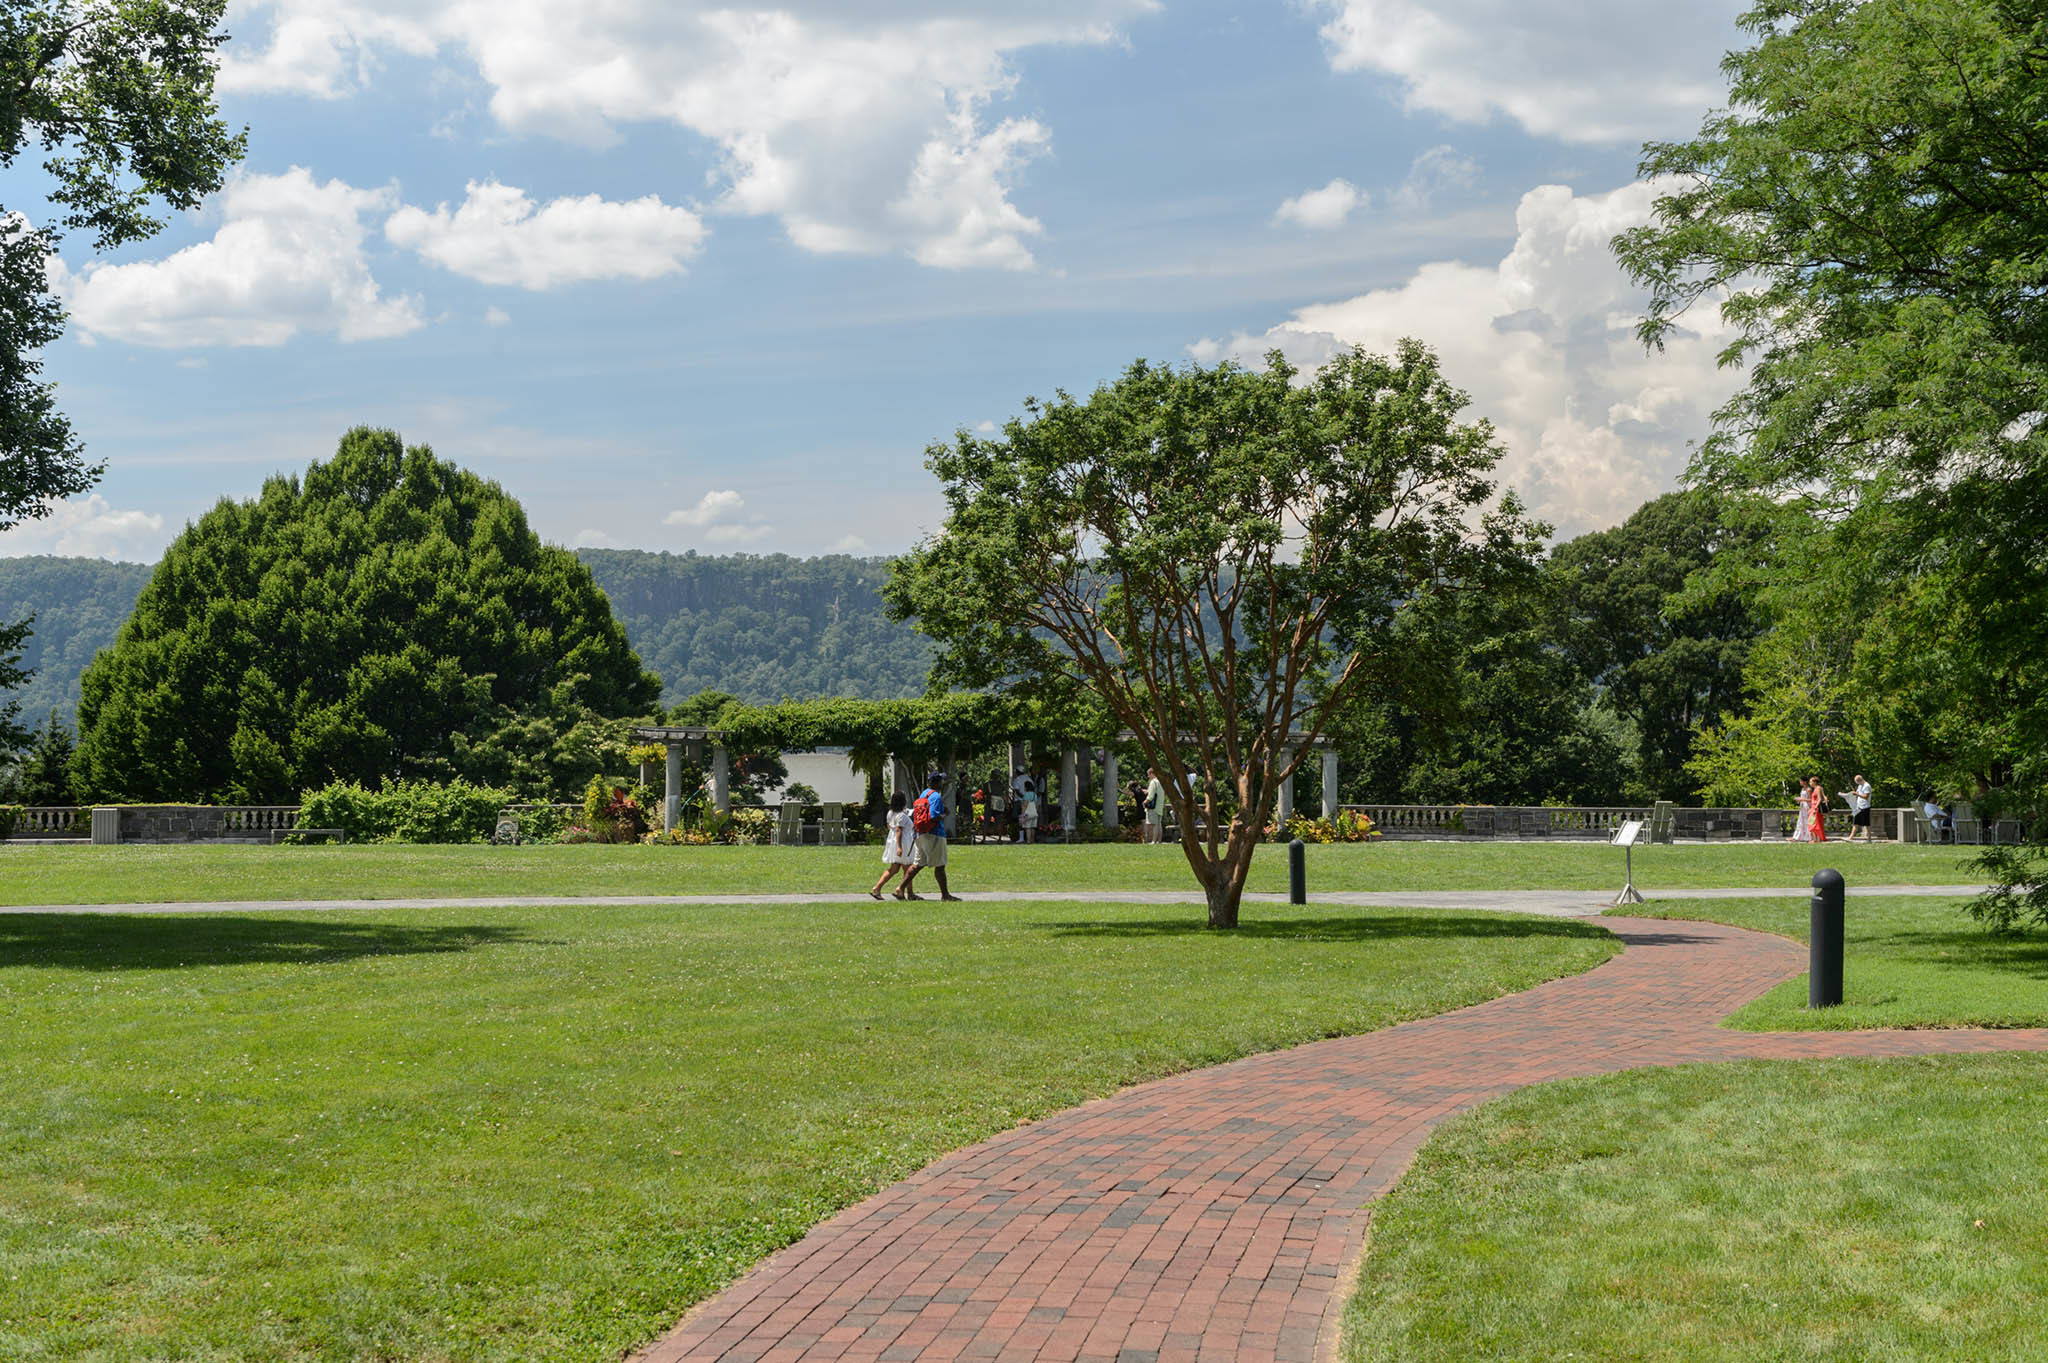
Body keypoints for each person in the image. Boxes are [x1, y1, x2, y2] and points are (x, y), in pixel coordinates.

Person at [900, 771, 962, 902]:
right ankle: (945, 895)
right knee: (940, 865)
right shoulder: (936, 796)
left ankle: (900, 888)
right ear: (936, 782)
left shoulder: (924, 794)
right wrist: (945, 814)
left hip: (920, 833)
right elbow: (934, 816)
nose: (942, 783)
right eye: (941, 781)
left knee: (917, 864)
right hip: (934, 834)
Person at [870, 792, 914, 899]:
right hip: (903, 843)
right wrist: (900, 847)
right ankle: (908, 893)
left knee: (894, 869)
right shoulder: (902, 816)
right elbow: (899, 830)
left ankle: (877, 887)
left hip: (893, 842)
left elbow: (890, 827)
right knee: (908, 869)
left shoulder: (890, 813)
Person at [1840, 774, 1873, 842]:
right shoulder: (1860, 785)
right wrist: (1849, 794)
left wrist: (1857, 794)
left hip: (1865, 807)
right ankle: (1850, 838)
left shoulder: (1867, 786)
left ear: (1859, 780)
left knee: (1866, 823)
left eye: (1857, 782)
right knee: (1855, 822)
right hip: (1858, 807)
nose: (1857, 783)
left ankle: (1869, 839)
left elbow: (1866, 797)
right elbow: (1857, 793)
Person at [1143, 766, 1166, 844]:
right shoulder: (1161, 781)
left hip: (1153, 806)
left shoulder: (1153, 782)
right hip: (1160, 805)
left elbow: (1151, 796)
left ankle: (1153, 841)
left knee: (1154, 824)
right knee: (1159, 824)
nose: (1148, 776)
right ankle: (1159, 840)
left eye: (1149, 775)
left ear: (1152, 773)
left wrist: (1145, 802)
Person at [1018, 778, 1039, 844]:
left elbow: (1025, 805)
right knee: (1033, 827)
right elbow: (1036, 805)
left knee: (1028, 827)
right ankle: (1033, 841)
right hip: (1034, 813)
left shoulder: (1026, 795)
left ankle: (1028, 841)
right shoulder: (1034, 795)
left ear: (1026, 787)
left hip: (1027, 813)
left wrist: (1022, 814)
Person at [1807, 776, 1828, 842]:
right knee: (1813, 823)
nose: (1810, 783)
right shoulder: (1818, 788)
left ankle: (1816, 839)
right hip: (1814, 808)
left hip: (1816, 809)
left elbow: (1819, 799)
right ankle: (1816, 839)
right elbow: (1824, 797)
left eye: (1811, 782)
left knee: (1813, 823)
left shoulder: (1818, 788)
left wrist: (1815, 808)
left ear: (1815, 782)